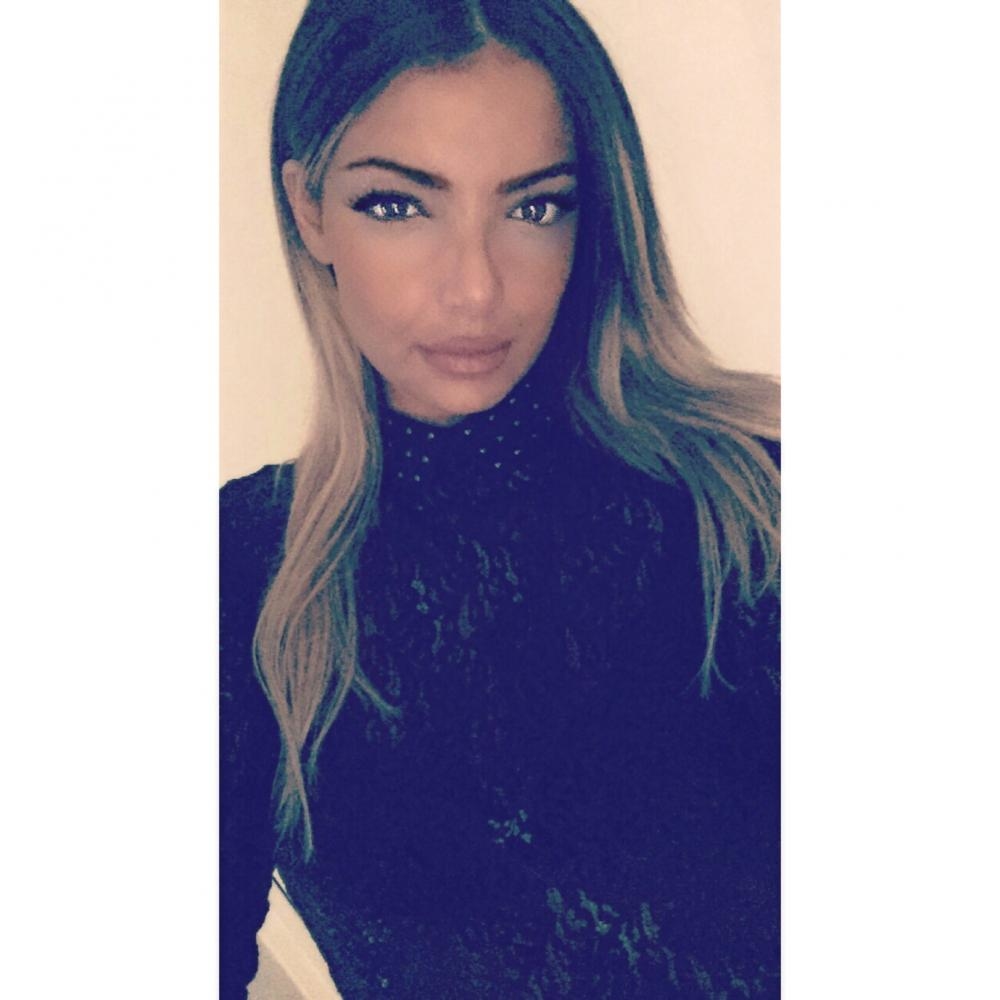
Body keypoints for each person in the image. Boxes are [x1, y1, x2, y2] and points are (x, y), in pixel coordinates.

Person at [220, 0, 781, 996]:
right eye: (399, 205)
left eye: (533, 207)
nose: (476, 289)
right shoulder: (243, 579)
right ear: (309, 210)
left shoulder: (751, 499)